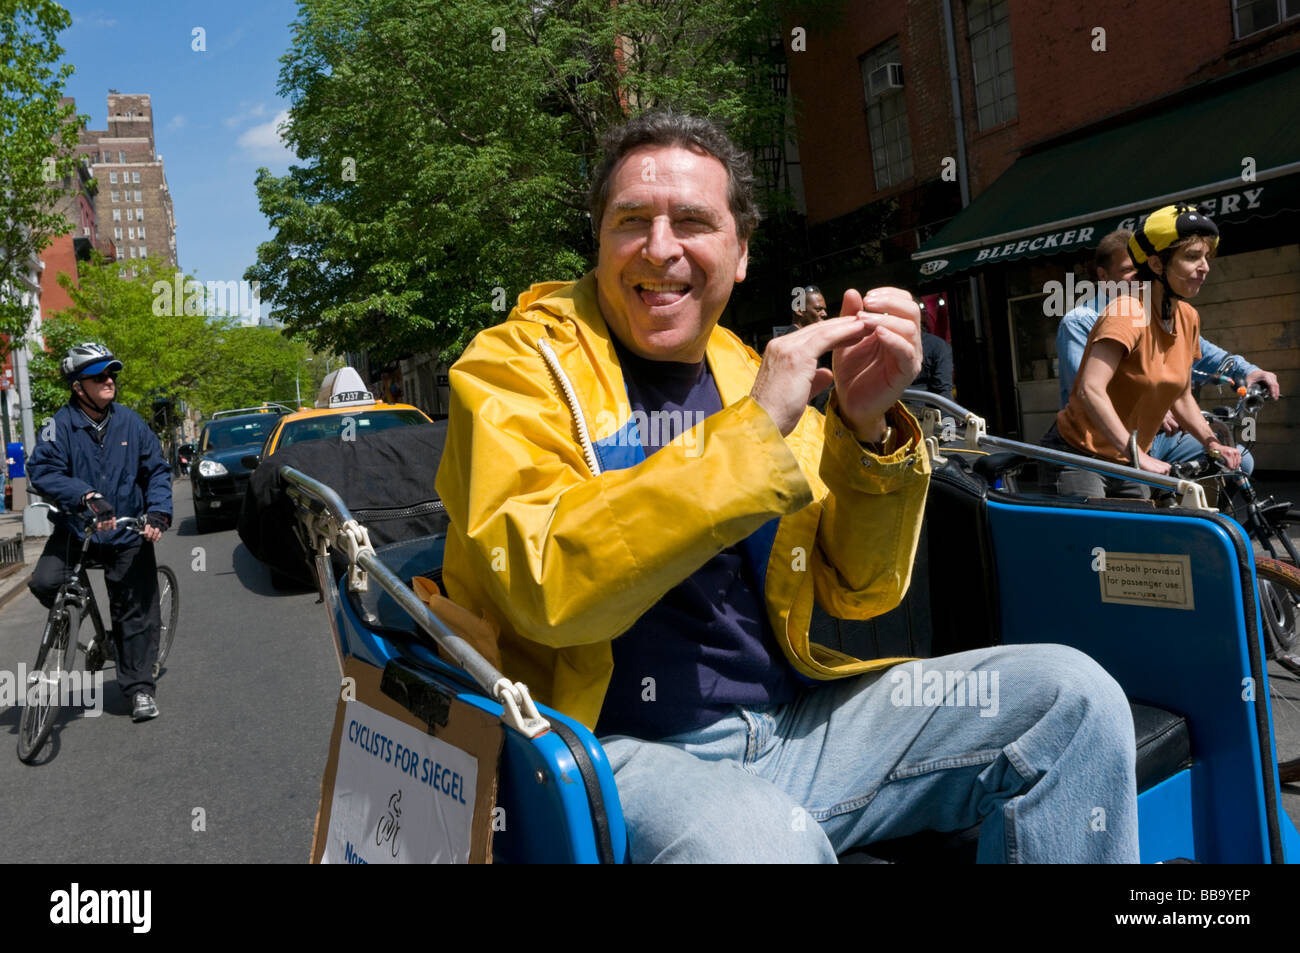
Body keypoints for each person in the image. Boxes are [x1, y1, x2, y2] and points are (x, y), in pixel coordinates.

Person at [435, 110, 1137, 863]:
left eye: (694, 221)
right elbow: (544, 587)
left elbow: (860, 589)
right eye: (630, 220)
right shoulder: (511, 368)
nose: (660, 247)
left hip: (797, 727)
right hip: (611, 751)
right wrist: (754, 433)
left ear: (740, 254)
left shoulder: (752, 370)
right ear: (600, 244)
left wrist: (866, 430)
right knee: (764, 843)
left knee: (1074, 698)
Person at [1041, 206, 1243, 499]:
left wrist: (1212, 442)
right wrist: (1138, 454)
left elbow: (1182, 397)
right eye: (1191, 257)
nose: (1204, 267)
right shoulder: (1128, 311)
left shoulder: (1187, 317)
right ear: (1157, 265)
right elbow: (1090, 388)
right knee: (1095, 540)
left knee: (1138, 543)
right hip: (1078, 455)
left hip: (1127, 459)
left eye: (1206, 257)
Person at [1056, 228, 1279, 475]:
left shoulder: (1174, 315)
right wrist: (1158, 406)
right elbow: (1089, 388)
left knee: (1238, 464)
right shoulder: (1081, 321)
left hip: (1155, 436)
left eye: (1141, 269)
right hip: (1100, 441)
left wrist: (1247, 371)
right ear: (1103, 275)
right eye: (1128, 270)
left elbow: (1205, 356)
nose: (1138, 276)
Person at [27, 343, 173, 722]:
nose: (110, 381)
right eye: (99, 376)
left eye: (112, 374)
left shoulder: (131, 422)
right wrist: (85, 495)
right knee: (46, 582)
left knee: (134, 612)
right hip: (80, 530)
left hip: (126, 530)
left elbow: (156, 470)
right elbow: (42, 471)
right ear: (79, 387)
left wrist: (157, 512)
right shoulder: (58, 426)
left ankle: (139, 688)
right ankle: (83, 619)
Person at [911, 304, 954, 397]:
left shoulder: (881, 346)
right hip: (924, 407)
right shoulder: (938, 345)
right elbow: (942, 388)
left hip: (886, 407)